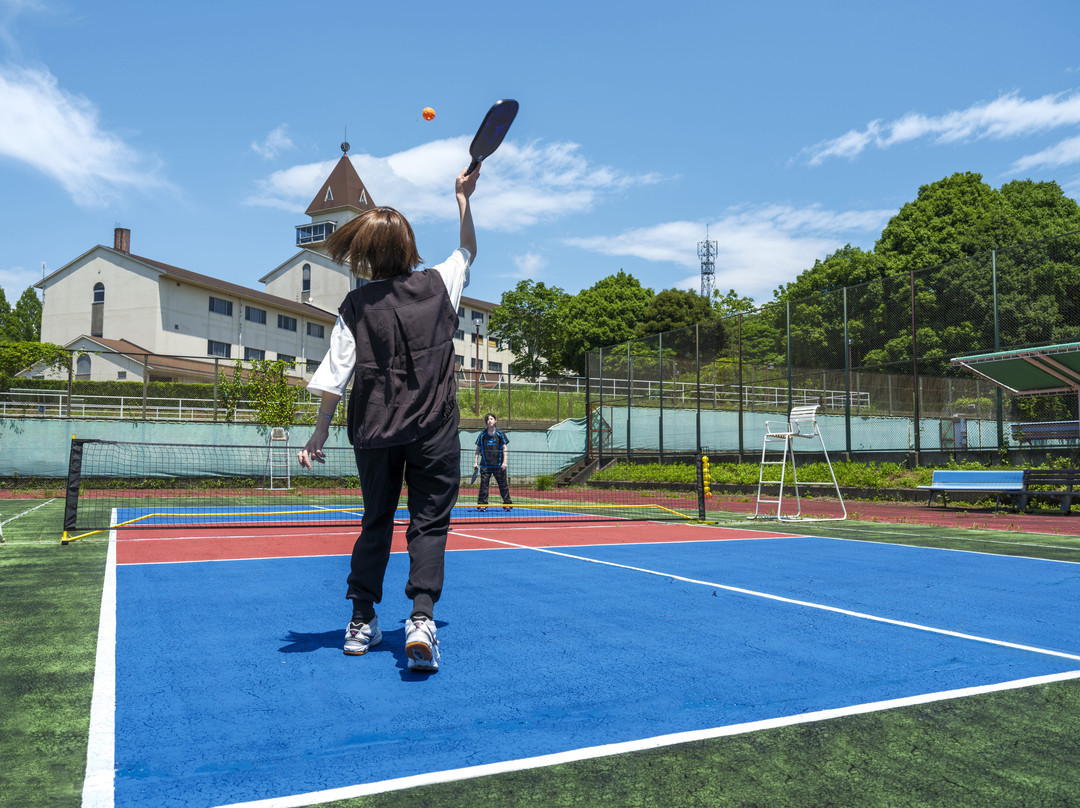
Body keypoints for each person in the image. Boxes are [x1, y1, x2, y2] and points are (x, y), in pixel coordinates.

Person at [298, 165, 479, 672]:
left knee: (375, 521)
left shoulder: (355, 305)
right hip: (434, 431)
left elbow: (335, 376)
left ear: (366, 254)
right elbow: (467, 250)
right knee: (429, 524)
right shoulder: (440, 284)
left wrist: (317, 434)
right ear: (408, 247)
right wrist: (463, 198)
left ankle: (361, 621)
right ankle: (421, 619)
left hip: (374, 432)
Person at [474, 413, 512, 512]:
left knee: (503, 485)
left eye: (491, 419)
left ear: (495, 420)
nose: (489, 421)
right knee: (483, 486)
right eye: (487, 419)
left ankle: (507, 504)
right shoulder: (482, 435)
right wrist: (475, 462)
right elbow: (477, 449)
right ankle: (482, 505)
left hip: (499, 465)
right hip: (485, 465)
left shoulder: (500, 433)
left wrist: (504, 462)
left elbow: (505, 448)